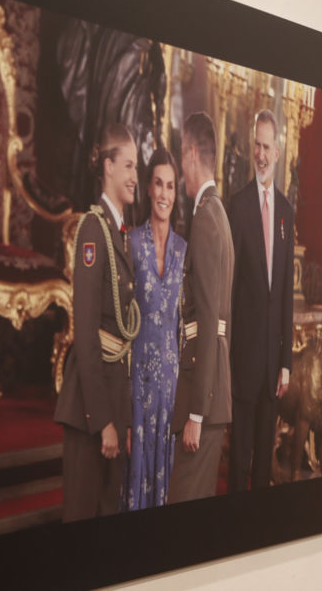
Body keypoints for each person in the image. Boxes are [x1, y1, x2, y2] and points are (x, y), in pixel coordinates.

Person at [54, 122, 140, 521]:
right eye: (127, 166)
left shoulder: (119, 233)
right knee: (82, 518)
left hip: (111, 402)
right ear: (107, 167)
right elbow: (86, 335)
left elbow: (121, 340)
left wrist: (119, 418)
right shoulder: (94, 230)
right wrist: (103, 420)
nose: (134, 177)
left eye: (136, 167)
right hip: (90, 410)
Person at [167, 112, 234, 504]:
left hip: (202, 402)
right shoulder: (218, 214)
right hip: (212, 394)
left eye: (181, 156)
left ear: (191, 153)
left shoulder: (206, 219)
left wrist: (196, 413)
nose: (181, 169)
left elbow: (208, 322)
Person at [228, 109, 294, 492]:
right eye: (257, 145)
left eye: (267, 147)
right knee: (238, 464)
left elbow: (284, 294)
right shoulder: (236, 207)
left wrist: (285, 363)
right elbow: (232, 288)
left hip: (273, 371)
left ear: (278, 151)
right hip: (242, 364)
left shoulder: (286, 212)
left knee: (262, 469)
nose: (261, 155)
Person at [122, 148, 187, 510]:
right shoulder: (131, 243)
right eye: (159, 185)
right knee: (135, 473)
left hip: (171, 383)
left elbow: (187, 324)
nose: (164, 194)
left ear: (176, 194)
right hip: (138, 378)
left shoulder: (183, 250)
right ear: (148, 189)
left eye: (171, 187)